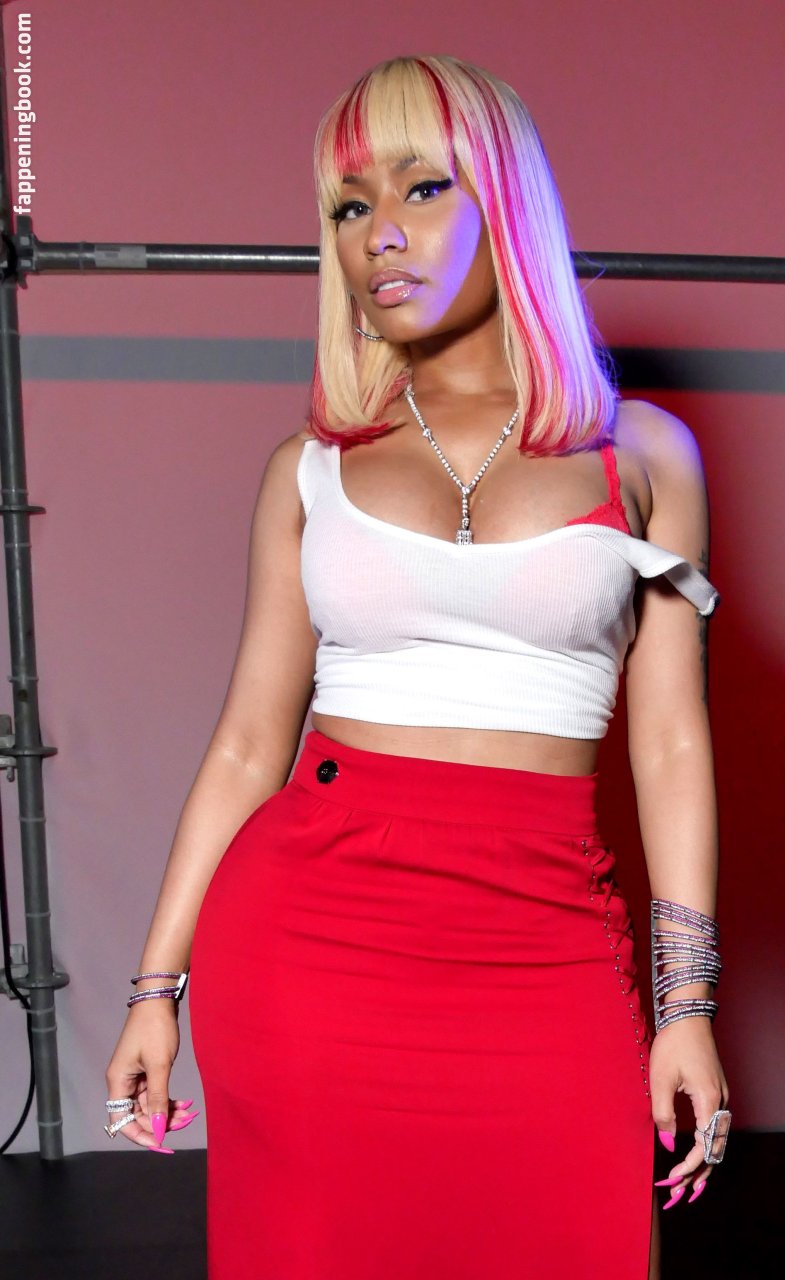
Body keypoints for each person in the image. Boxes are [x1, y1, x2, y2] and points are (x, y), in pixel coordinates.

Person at [105, 53, 731, 1279]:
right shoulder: (308, 469)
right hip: (305, 952)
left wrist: (687, 1005)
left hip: (545, 938)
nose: (378, 233)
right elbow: (246, 744)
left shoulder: (644, 455)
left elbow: (669, 744)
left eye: (422, 187)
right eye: (349, 206)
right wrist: (153, 985)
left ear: (508, 203)